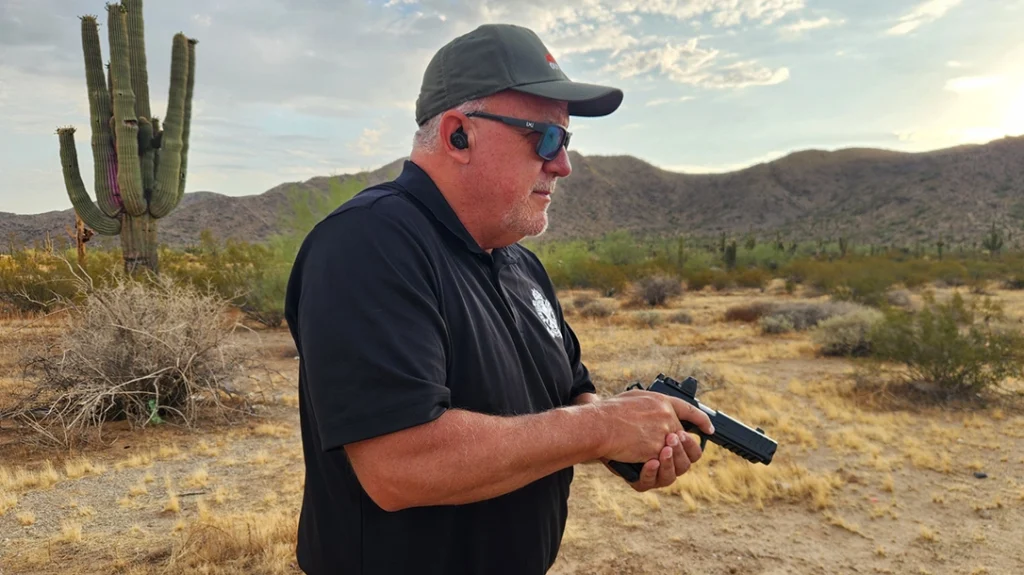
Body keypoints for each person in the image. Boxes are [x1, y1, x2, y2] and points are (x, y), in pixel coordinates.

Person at [283, 22, 715, 575]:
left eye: (567, 141)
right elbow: (400, 464)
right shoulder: (369, 242)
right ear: (458, 135)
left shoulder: (519, 263)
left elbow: (571, 392)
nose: (562, 164)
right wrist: (601, 429)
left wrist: (631, 435)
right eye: (546, 138)